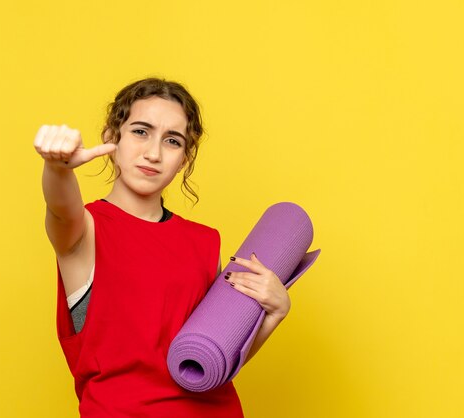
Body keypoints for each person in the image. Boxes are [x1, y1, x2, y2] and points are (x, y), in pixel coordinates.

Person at [33, 77, 291, 417]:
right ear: (113, 137)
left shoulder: (205, 242)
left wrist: (274, 313)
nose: (153, 153)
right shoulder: (84, 231)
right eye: (141, 131)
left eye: (172, 141)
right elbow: (61, 209)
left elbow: (217, 359)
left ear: (184, 158)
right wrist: (56, 167)